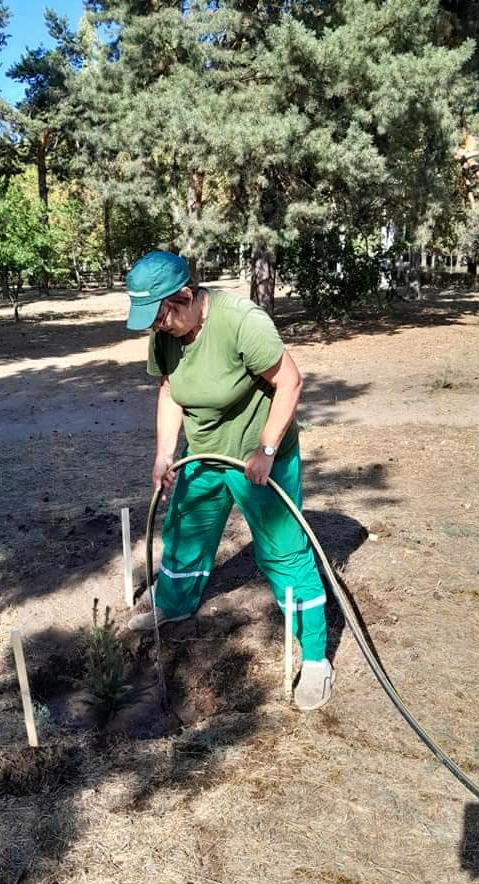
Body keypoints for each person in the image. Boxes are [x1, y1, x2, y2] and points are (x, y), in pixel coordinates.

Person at [124, 250, 333, 711]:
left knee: (283, 553)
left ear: (185, 294)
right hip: (205, 454)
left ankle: (316, 658)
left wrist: (267, 449)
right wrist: (164, 454)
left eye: (161, 316)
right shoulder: (165, 335)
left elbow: (291, 382)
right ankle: (175, 604)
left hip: (260, 456)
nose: (158, 327)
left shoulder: (242, 322)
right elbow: (169, 392)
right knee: (184, 534)